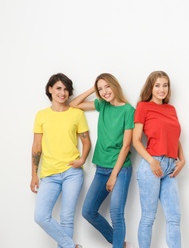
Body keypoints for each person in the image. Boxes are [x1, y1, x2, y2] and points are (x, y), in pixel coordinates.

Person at [69, 73, 135, 248]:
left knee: (116, 214)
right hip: (101, 168)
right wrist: (94, 88)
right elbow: (73, 104)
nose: (105, 91)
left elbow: (127, 146)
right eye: (101, 89)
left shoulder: (128, 110)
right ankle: (119, 243)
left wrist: (114, 175)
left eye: (107, 86)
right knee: (88, 211)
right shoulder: (102, 105)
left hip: (120, 170)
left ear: (115, 85)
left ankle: (118, 245)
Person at [30, 73, 91, 248]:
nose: (62, 93)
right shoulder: (41, 115)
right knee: (41, 216)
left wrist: (82, 160)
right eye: (58, 88)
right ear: (50, 89)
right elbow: (36, 147)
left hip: (72, 173)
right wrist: (34, 175)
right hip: (49, 174)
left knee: (67, 218)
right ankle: (72, 246)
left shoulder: (76, 114)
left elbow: (86, 141)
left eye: (65, 89)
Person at [132, 71, 186, 248]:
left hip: (170, 167)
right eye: (157, 85)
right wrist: (151, 161)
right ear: (151, 87)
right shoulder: (143, 107)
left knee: (174, 217)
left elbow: (174, 137)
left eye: (165, 85)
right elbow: (136, 140)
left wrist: (182, 159)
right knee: (148, 216)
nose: (162, 89)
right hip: (152, 165)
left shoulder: (171, 109)